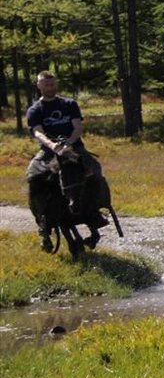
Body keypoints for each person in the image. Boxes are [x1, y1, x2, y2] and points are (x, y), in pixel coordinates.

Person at [25, 71, 108, 251]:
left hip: (74, 146)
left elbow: (78, 126)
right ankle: (43, 220)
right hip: (48, 152)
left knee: (95, 169)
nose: (50, 88)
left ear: (56, 84)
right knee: (32, 176)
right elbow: (38, 132)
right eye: (46, 85)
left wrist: (69, 143)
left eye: (52, 84)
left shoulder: (69, 104)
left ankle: (97, 210)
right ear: (38, 86)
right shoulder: (35, 110)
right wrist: (53, 146)